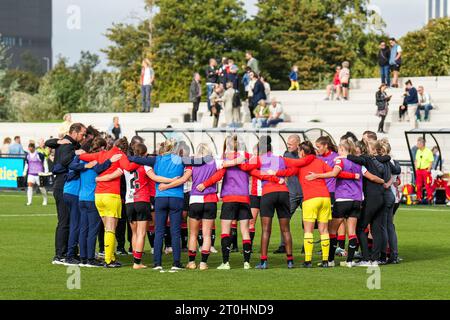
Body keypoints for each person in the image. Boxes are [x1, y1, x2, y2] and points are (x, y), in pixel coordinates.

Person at [79, 137, 141, 268]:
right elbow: (129, 167)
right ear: (124, 148)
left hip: (98, 196)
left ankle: (111, 256)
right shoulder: (120, 155)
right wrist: (141, 160)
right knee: (111, 229)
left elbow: (85, 157)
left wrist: (77, 153)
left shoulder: (102, 154)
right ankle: (108, 260)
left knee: (107, 228)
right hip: (111, 195)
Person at [305, 138, 363, 267]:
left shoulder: (339, 160)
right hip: (356, 199)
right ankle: (349, 261)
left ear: (342, 149)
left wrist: (316, 176)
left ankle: (330, 260)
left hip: (343, 199)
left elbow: (334, 173)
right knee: (352, 232)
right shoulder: (358, 162)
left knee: (331, 231)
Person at [46, 123, 86, 265]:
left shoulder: (70, 144)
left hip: (64, 186)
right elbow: (64, 161)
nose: (83, 137)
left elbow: (49, 143)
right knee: (65, 221)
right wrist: (75, 153)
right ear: (74, 132)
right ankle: (60, 255)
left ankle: (70, 252)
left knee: (70, 221)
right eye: (82, 134)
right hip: (63, 186)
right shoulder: (67, 145)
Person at [78, 137, 118, 268]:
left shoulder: (83, 161)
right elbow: (100, 169)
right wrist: (109, 161)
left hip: (81, 197)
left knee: (83, 229)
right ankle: (90, 258)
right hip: (91, 198)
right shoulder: (96, 162)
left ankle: (82, 257)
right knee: (93, 230)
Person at [180, 144, 221, 270]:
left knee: (193, 233)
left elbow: (187, 178)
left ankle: (191, 262)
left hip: (195, 199)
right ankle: (203, 263)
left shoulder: (192, 163)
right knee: (207, 234)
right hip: (210, 199)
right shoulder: (215, 162)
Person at [123, 143, 154, 269]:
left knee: (134, 233)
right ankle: (137, 262)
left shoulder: (126, 166)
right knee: (141, 233)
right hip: (142, 200)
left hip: (129, 201)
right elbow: (154, 178)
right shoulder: (145, 165)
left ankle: (136, 260)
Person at [274, 135, 303, 254]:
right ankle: (283, 245)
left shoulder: (305, 154)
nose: (288, 145)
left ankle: (306, 245)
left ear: (298, 144)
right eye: (288, 143)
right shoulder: (286, 154)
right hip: (291, 193)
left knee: (307, 221)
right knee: (284, 219)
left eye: (291, 144)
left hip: (304, 193)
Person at [414, 137, 434, 204]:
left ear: (422, 144)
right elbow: (416, 160)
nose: (417, 144)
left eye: (418, 143)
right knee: (418, 185)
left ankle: (430, 198)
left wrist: (428, 170)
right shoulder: (418, 151)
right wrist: (416, 169)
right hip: (419, 171)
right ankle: (419, 198)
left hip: (425, 171)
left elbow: (431, 161)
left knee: (427, 185)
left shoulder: (428, 151)